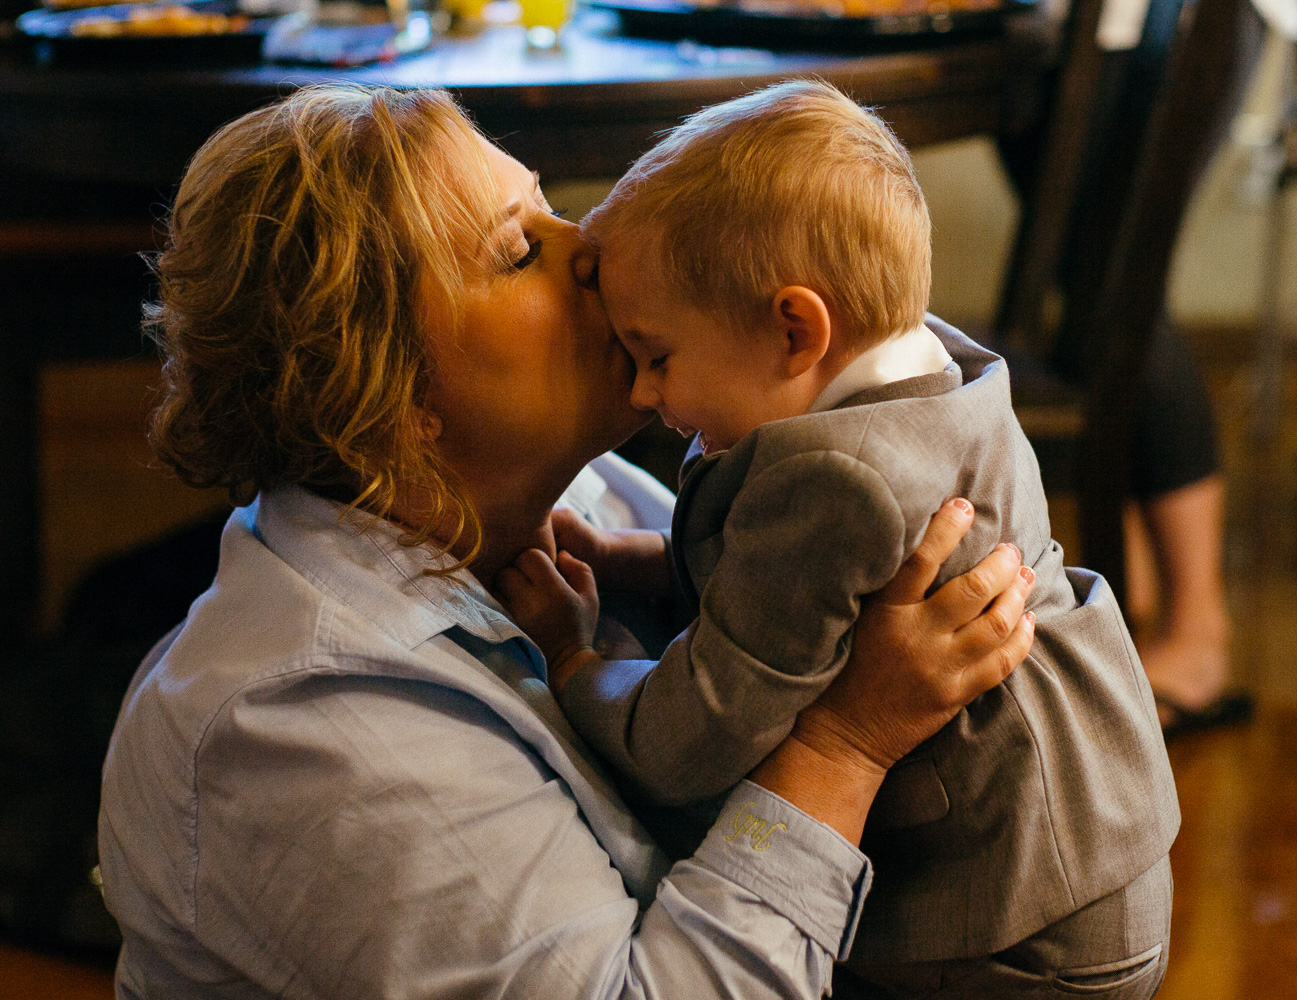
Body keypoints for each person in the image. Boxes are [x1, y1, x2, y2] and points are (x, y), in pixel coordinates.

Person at [97, 83, 1037, 999]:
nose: (584, 247)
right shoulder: (309, 735)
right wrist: (844, 749)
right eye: (516, 252)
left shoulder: (584, 494)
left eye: (546, 208)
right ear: (387, 395)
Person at [497, 80, 1177, 998]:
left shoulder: (836, 477)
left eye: (657, 356)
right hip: (1096, 854)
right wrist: (632, 560)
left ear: (794, 329)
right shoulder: (936, 364)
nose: (644, 394)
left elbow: (692, 735)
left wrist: (571, 659)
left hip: (1009, 923)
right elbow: (809, 603)